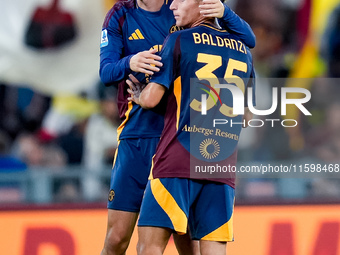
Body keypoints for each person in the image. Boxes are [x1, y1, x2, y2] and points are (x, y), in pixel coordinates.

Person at [99, 0, 255, 254]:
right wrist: (130, 63)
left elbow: (247, 37)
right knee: (116, 238)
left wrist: (225, 12)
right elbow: (106, 72)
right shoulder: (121, 14)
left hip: (177, 142)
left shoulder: (182, 10)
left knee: (178, 242)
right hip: (140, 137)